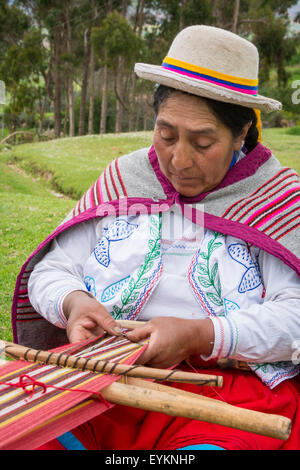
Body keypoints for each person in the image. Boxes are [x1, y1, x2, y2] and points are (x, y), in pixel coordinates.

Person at [12, 25, 300, 450]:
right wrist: (74, 303)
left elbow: (295, 318)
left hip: (228, 389)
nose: (178, 160)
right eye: (166, 135)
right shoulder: (126, 179)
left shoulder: (274, 199)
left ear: (242, 134)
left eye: (203, 143)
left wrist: (201, 334)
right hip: (101, 379)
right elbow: (53, 268)